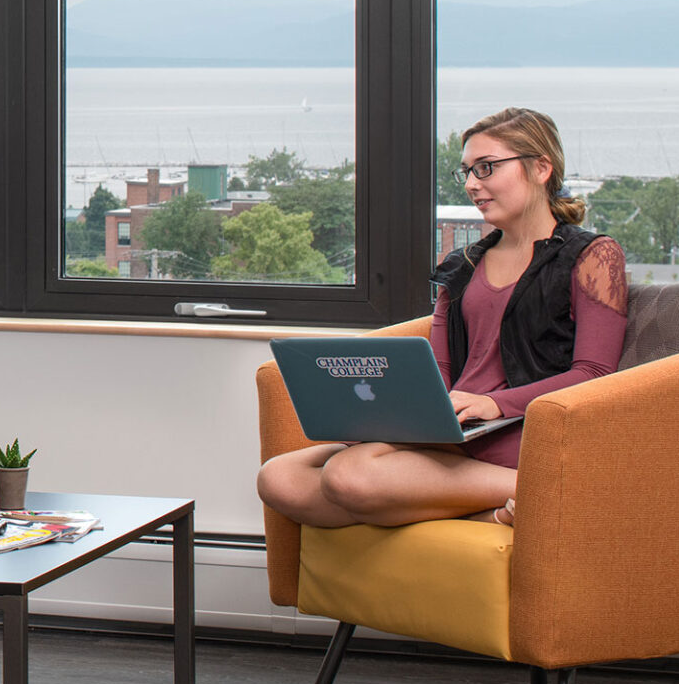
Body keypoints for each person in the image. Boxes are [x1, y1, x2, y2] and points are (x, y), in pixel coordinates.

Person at [257, 108, 627, 529]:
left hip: (510, 431)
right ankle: (482, 513)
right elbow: (439, 368)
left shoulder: (592, 254)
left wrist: (494, 403)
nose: (472, 184)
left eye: (486, 168)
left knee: (349, 475)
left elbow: (595, 372)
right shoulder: (462, 263)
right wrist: (392, 415)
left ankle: (530, 486)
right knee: (279, 478)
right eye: (467, 171)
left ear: (541, 167)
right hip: (452, 431)